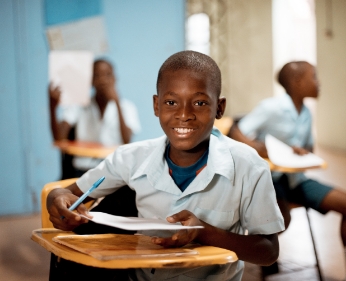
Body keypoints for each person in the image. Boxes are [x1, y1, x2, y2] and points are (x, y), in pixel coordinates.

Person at [47, 50, 284, 281]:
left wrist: (205, 232)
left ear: (219, 108)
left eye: (200, 103)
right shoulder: (131, 157)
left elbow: (269, 252)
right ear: (156, 105)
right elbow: (68, 193)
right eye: (171, 102)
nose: (184, 114)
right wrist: (57, 199)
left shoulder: (248, 166)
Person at [229, 61, 346, 254]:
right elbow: (236, 131)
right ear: (298, 82)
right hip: (272, 180)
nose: (319, 82)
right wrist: (260, 148)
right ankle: (261, 255)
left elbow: (308, 148)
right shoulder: (271, 107)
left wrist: (301, 151)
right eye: (314, 76)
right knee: (281, 221)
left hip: (297, 180)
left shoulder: (307, 113)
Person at [49, 59, 141, 177]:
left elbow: (127, 139)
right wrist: (52, 107)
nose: (103, 80)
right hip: (82, 170)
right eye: (97, 75)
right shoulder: (79, 105)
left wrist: (117, 103)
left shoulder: (127, 107)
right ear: (91, 81)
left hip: (114, 170)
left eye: (108, 75)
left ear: (114, 79)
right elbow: (59, 138)